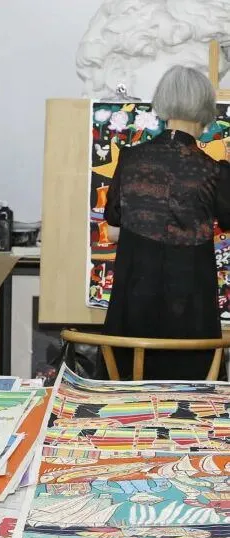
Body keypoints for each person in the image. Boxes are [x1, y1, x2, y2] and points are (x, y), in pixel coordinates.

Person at [104, 65, 230, 379]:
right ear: (205, 109)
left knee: (128, 390)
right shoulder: (214, 171)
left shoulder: (130, 160)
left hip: (134, 308)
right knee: (190, 394)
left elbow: (114, 229)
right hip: (191, 314)